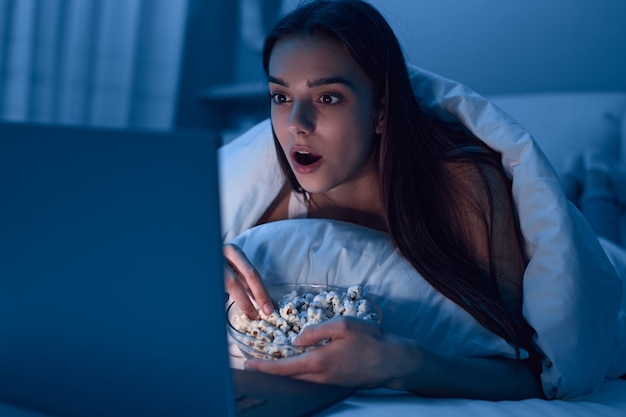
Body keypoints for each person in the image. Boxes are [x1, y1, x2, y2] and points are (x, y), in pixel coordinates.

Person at [223, 0, 622, 400]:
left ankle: (598, 181)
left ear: (381, 110)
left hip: (609, 276)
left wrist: (404, 365)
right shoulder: (267, 204)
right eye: (280, 97)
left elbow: (538, 370)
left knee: (604, 244)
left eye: (328, 98)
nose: (296, 125)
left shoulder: (465, 188)